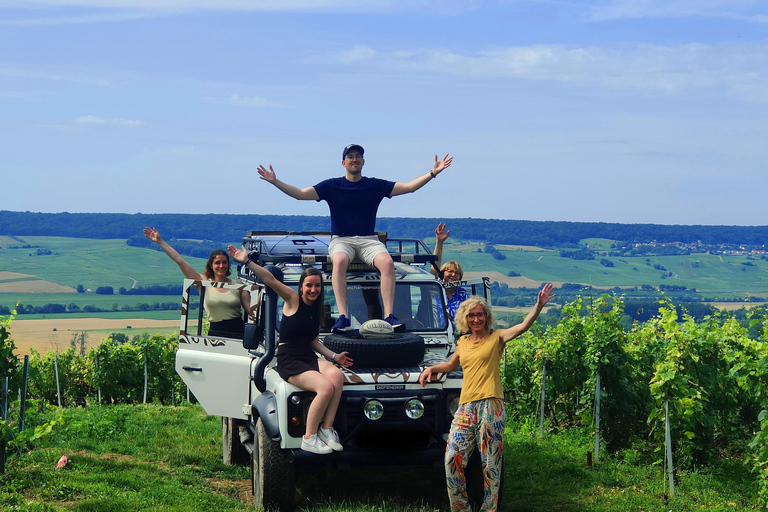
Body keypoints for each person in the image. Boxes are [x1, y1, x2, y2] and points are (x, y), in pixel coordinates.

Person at [257, 144, 452, 333]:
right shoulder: (331, 185)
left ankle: (389, 316)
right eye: (350, 156)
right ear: (343, 163)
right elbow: (300, 195)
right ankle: (343, 318)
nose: (354, 159)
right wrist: (275, 181)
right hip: (342, 239)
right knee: (339, 260)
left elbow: (409, 187)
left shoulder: (374, 185)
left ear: (363, 161)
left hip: (369, 239)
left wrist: (433, 173)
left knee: (387, 262)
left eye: (358, 156)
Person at [418, 285, 554, 511]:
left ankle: (489, 508)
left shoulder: (496, 338)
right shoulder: (462, 342)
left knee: (490, 463)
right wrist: (431, 369)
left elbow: (522, 327)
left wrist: (538, 307)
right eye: (471, 315)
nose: (476, 319)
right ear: (465, 318)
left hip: (492, 404)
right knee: (452, 457)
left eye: (480, 314)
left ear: (486, 316)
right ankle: (460, 508)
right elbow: (451, 365)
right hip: (466, 406)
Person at [228, 244, 354, 454]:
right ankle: (309, 437)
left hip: (307, 355)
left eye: (317, 286)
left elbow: (313, 340)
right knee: (325, 388)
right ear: (301, 287)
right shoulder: (293, 300)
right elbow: (270, 280)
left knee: (337, 376)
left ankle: (326, 429)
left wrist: (334, 357)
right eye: (309, 286)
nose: (313, 290)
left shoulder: (315, 310)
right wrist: (248, 261)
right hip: (290, 359)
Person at [143, 227, 252, 339]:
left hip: (239, 334)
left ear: (228, 265)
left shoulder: (238, 285)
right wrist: (160, 241)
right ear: (211, 265)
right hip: (215, 334)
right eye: (217, 263)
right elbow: (180, 261)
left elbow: (251, 311)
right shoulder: (203, 284)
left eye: (224, 262)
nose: (221, 266)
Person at [431, 222, 469, 323]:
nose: (453, 275)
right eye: (450, 271)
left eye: (457, 273)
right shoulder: (435, 288)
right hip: (437, 331)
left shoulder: (462, 293)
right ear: (443, 273)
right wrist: (439, 242)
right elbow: (434, 269)